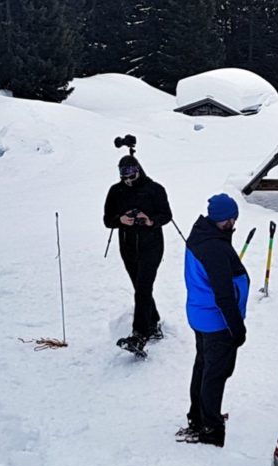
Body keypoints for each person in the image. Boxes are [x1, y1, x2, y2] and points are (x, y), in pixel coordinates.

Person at [180, 194, 250, 446]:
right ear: (226, 219)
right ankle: (209, 428)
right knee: (215, 373)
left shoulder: (201, 234)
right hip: (216, 320)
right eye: (232, 220)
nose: (233, 224)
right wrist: (237, 328)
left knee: (203, 367)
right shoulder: (215, 248)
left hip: (200, 315)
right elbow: (224, 295)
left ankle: (198, 417)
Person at [102, 153, 172, 351]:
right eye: (124, 175)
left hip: (152, 246)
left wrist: (150, 221)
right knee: (141, 288)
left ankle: (139, 334)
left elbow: (166, 215)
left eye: (132, 174)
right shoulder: (115, 192)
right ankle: (153, 322)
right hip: (128, 247)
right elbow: (107, 220)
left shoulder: (155, 189)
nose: (128, 179)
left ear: (139, 170)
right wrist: (120, 220)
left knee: (142, 288)